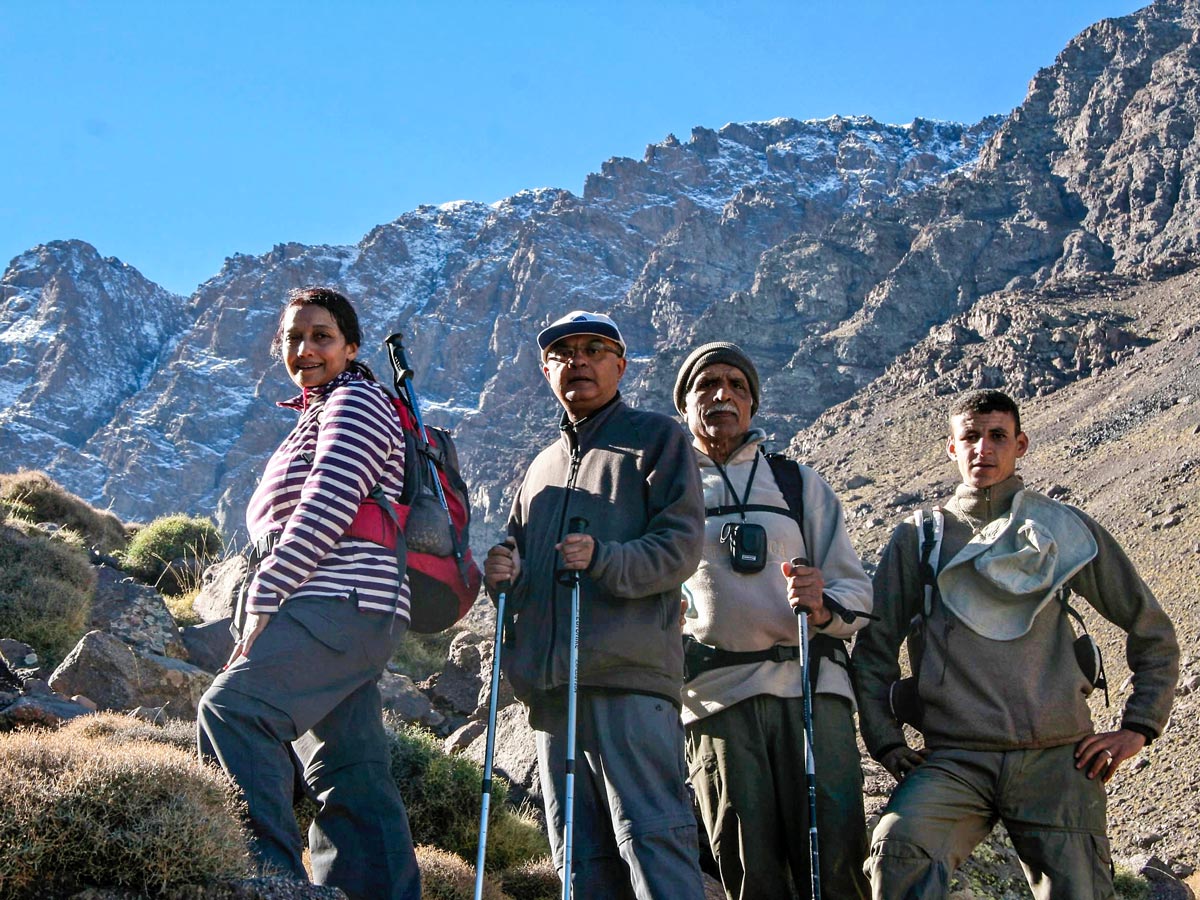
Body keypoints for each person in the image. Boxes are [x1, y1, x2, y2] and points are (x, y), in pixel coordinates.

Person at [853, 388, 1180, 899]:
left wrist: (1138, 728)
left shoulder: (1060, 529)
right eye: (970, 437)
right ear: (951, 448)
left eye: (997, 436)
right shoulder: (920, 537)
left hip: (1057, 758)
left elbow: (1150, 628)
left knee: (1080, 891)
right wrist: (887, 742)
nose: (982, 448)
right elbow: (874, 650)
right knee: (899, 850)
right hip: (955, 757)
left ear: (1020, 444)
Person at [197, 287, 420, 900]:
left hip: (337, 597)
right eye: (293, 338)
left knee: (234, 710)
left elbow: (328, 500)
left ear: (351, 346)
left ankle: (267, 883)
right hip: (351, 606)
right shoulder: (320, 411)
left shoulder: (356, 401)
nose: (305, 349)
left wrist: (266, 592)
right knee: (351, 773)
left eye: (321, 336)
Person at [483, 310, 707, 900]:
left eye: (594, 349)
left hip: (629, 681)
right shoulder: (539, 468)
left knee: (653, 842)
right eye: (562, 353)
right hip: (553, 695)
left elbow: (681, 546)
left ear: (620, 364)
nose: (577, 361)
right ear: (545, 370)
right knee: (577, 861)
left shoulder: (658, 438)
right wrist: (504, 572)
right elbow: (522, 562)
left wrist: (605, 557)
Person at [673, 342, 873, 900]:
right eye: (706, 384)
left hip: (810, 690)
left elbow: (856, 591)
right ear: (684, 405)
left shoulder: (797, 484)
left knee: (836, 858)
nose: (723, 395)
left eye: (737, 386)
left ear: (754, 405)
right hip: (714, 698)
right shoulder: (665, 490)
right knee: (746, 864)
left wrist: (822, 601)